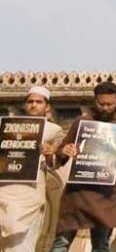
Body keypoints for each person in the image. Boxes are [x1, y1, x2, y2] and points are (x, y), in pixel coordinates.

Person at [50, 82, 116, 252]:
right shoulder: (82, 122)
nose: (105, 108)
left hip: (105, 196)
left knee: (100, 246)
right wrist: (66, 150)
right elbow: (61, 152)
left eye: (109, 104)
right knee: (61, 244)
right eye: (101, 104)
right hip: (77, 194)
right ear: (95, 100)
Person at [0, 86, 64, 252]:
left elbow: (55, 164)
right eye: (30, 101)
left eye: (38, 102)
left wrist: (50, 153)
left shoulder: (54, 130)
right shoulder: (6, 127)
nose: (34, 105)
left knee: (22, 242)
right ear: (25, 105)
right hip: (5, 189)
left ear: (47, 106)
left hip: (30, 192)